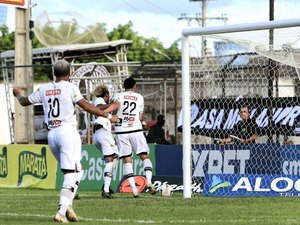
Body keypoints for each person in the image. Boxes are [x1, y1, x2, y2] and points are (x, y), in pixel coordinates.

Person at [13, 59, 117, 223]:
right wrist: (109, 116)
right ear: (69, 73)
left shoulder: (45, 89)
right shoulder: (70, 88)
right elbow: (87, 107)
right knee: (71, 174)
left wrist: (18, 93)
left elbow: (24, 101)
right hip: (68, 132)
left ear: (54, 73)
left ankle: (68, 205)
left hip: (52, 135)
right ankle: (61, 211)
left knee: (77, 170)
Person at [106, 77, 156, 197]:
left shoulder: (118, 96)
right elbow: (139, 117)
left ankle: (134, 189)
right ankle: (148, 181)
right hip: (136, 129)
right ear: (134, 86)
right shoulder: (139, 97)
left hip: (121, 131)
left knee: (127, 160)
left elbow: (114, 110)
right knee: (144, 156)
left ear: (124, 86)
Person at [92, 84, 119, 199]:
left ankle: (106, 184)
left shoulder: (103, 108)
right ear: (106, 95)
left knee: (115, 156)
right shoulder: (99, 100)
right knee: (110, 159)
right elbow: (99, 106)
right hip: (103, 133)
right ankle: (106, 190)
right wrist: (113, 105)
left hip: (99, 134)